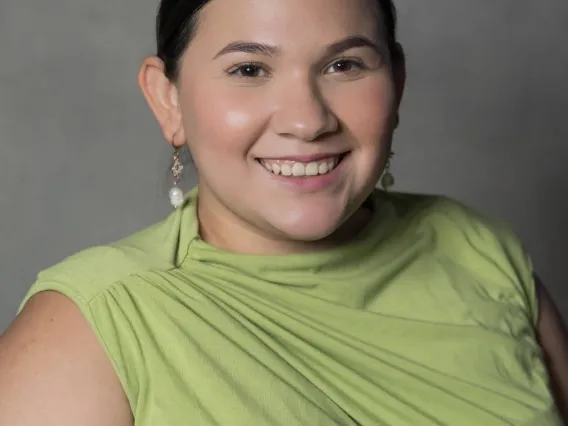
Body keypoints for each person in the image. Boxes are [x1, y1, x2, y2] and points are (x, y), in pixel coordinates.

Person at [0, 0, 567, 424]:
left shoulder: (482, 254)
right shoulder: (86, 329)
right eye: (249, 69)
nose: (308, 119)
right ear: (168, 99)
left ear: (397, 80)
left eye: (345, 65)